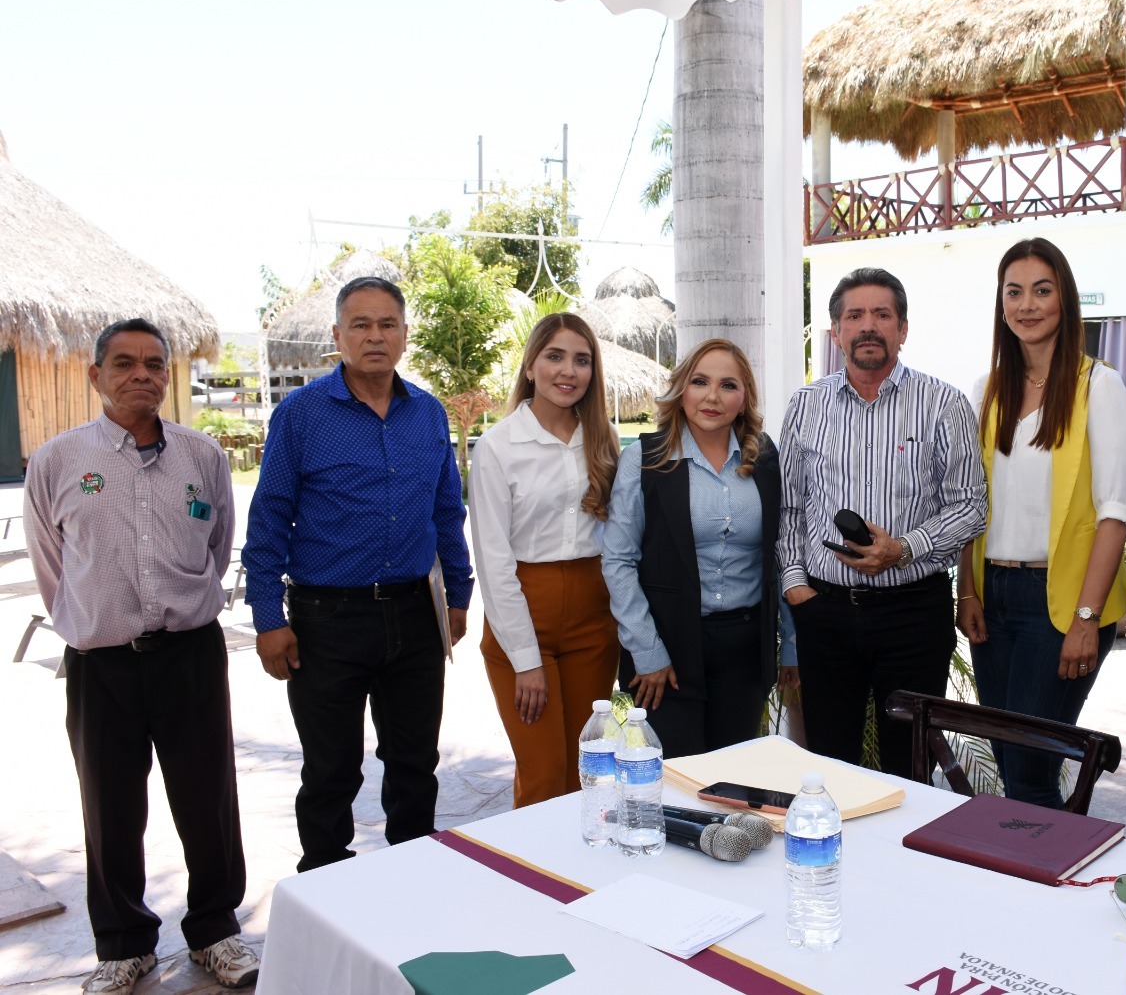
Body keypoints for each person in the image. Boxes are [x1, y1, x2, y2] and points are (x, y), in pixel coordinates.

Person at [23, 319, 258, 993]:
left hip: (189, 654)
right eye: (124, 363)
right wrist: (91, 617)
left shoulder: (203, 456)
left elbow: (216, 549)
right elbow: (53, 565)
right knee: (110, 803)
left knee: (207, 797)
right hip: (103, 663)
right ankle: (124, 944)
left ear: (168, 376)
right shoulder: (58, 460)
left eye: (155, 364)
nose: (142, 375)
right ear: (96, 375)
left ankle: (215, 930)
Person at [243, 276, 473, 872]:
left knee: (415, 763)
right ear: (339, 335)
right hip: (328, 621)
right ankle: (325, 889)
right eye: (361, 325)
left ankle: (411, 877)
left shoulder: (426, 414)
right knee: (330, 769)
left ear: (403, 334)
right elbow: (268, 519)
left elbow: (448, 511)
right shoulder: (301, 415)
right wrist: (268, 619)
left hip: (416, 615)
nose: (375, 336)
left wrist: (459, 594)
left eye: (387, 324)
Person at [778, 267, 987, 778]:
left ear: (903, 328)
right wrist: (795, 587)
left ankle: (904, 858)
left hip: (913, 615)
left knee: (910, 765)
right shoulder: (806, 405)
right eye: (855, 315)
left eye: (881, 314)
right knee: (829, 766)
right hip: (825, 614)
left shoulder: (944, 404)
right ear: (836, 331)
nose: (868, 325)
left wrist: (906, 548)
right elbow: (789, 507)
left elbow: (972, 505)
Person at [956, 238, 1126, 809]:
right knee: (1011, 762)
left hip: (1062, 605)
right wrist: (967, 590)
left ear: (1065, 300)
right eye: (1015, 292)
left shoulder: (1099, 387)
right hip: (994, 599)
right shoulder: (986, 392)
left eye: (1042, 290)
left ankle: (1055, 885)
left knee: (1032, 769)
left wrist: (1087, 618)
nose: (1027, 305)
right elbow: (967, 503)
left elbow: (1117, 512)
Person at [603, 339, 798, 758]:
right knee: (671, 781)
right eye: (700, 382)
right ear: (681, 390)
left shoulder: (764, 459)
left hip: (745, 651)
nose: (712, 396)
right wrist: (647, 652)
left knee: (734, 780)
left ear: (744, 399)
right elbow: (618, 562)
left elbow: (779, 557)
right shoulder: (643, 460)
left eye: (728, 385)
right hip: (665, 650)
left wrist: (791, 643)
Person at [468, 313, 621, 805]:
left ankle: (589, 880)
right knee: (544, 774)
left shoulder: (604, 441)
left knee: (589, 769)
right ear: (531, 365)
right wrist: (526, 661)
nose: (568, 371)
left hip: (594, 620)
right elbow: (493, 564)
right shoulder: (497, 447)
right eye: (555, 356)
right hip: (522, 615)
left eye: (581, 360)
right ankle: (536, 881)